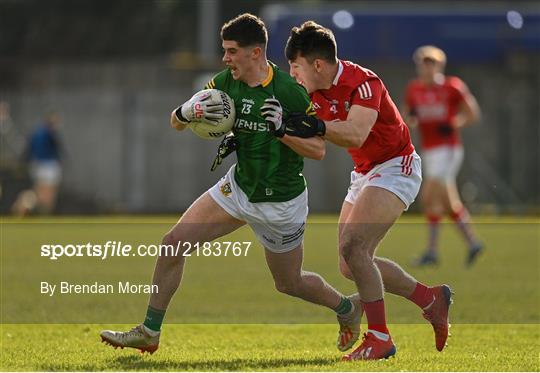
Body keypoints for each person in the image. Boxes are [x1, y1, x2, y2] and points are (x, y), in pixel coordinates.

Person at [100, 13, 361, 355]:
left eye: (231, 51)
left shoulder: (290, 91)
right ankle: (150, 332)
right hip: (237, 188)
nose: (225, 58)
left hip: (280, 202)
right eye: (224, 51)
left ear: (255, 53)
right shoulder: (226, 81)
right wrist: (185, 113)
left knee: (289, 282)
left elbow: (318, 150)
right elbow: (177, 121)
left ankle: (347, 308)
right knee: (172, 244)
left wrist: (282, 130)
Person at [282, 21, 453, 360]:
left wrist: (314, 125)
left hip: (396, 165)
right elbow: (315, 146)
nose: (292, 73)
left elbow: (356, 134)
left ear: (317, 64)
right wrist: (274, 129)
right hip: (363, 173)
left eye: (295, 65)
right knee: (349, 263)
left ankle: (380, 338)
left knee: (354, 247)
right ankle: (429, 299)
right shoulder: (311, 93)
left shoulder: (363, 82)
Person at [403, 45, 483, 267]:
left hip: (448, 149)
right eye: (423, 63)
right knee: (449, 204)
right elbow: (407, 116)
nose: (427, 67)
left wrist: (454, 124)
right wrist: (412, 119)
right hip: (429, 150)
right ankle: (473, 242)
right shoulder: (414, 89)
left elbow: (472, 113)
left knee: (428, 198)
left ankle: (431, 251)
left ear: (439, 65)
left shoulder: (451, 86)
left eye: (431, 63)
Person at [12, 111, 63, 215]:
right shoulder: (49, 133)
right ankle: (32, 207)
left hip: (37, 165)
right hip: (48, 166)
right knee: (48, 194)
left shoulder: (36, 133)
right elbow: (58, 149)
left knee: (39, 192)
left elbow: (28, 149)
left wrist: (23, 162)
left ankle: (24, 203)